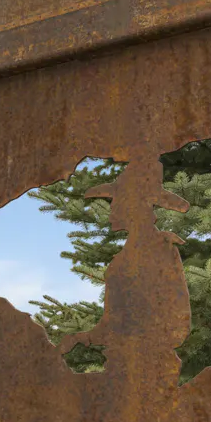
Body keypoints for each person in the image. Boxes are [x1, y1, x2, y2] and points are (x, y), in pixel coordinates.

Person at [56, 157, 190, 402]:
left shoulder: (161, 250)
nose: (112, 210)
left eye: (117, 203)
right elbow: (112, 323)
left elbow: (177, 319)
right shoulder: (121, 260)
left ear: (134, 206)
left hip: (150, 374)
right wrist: (81, 338)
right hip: (120, 368)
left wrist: (139, 349)